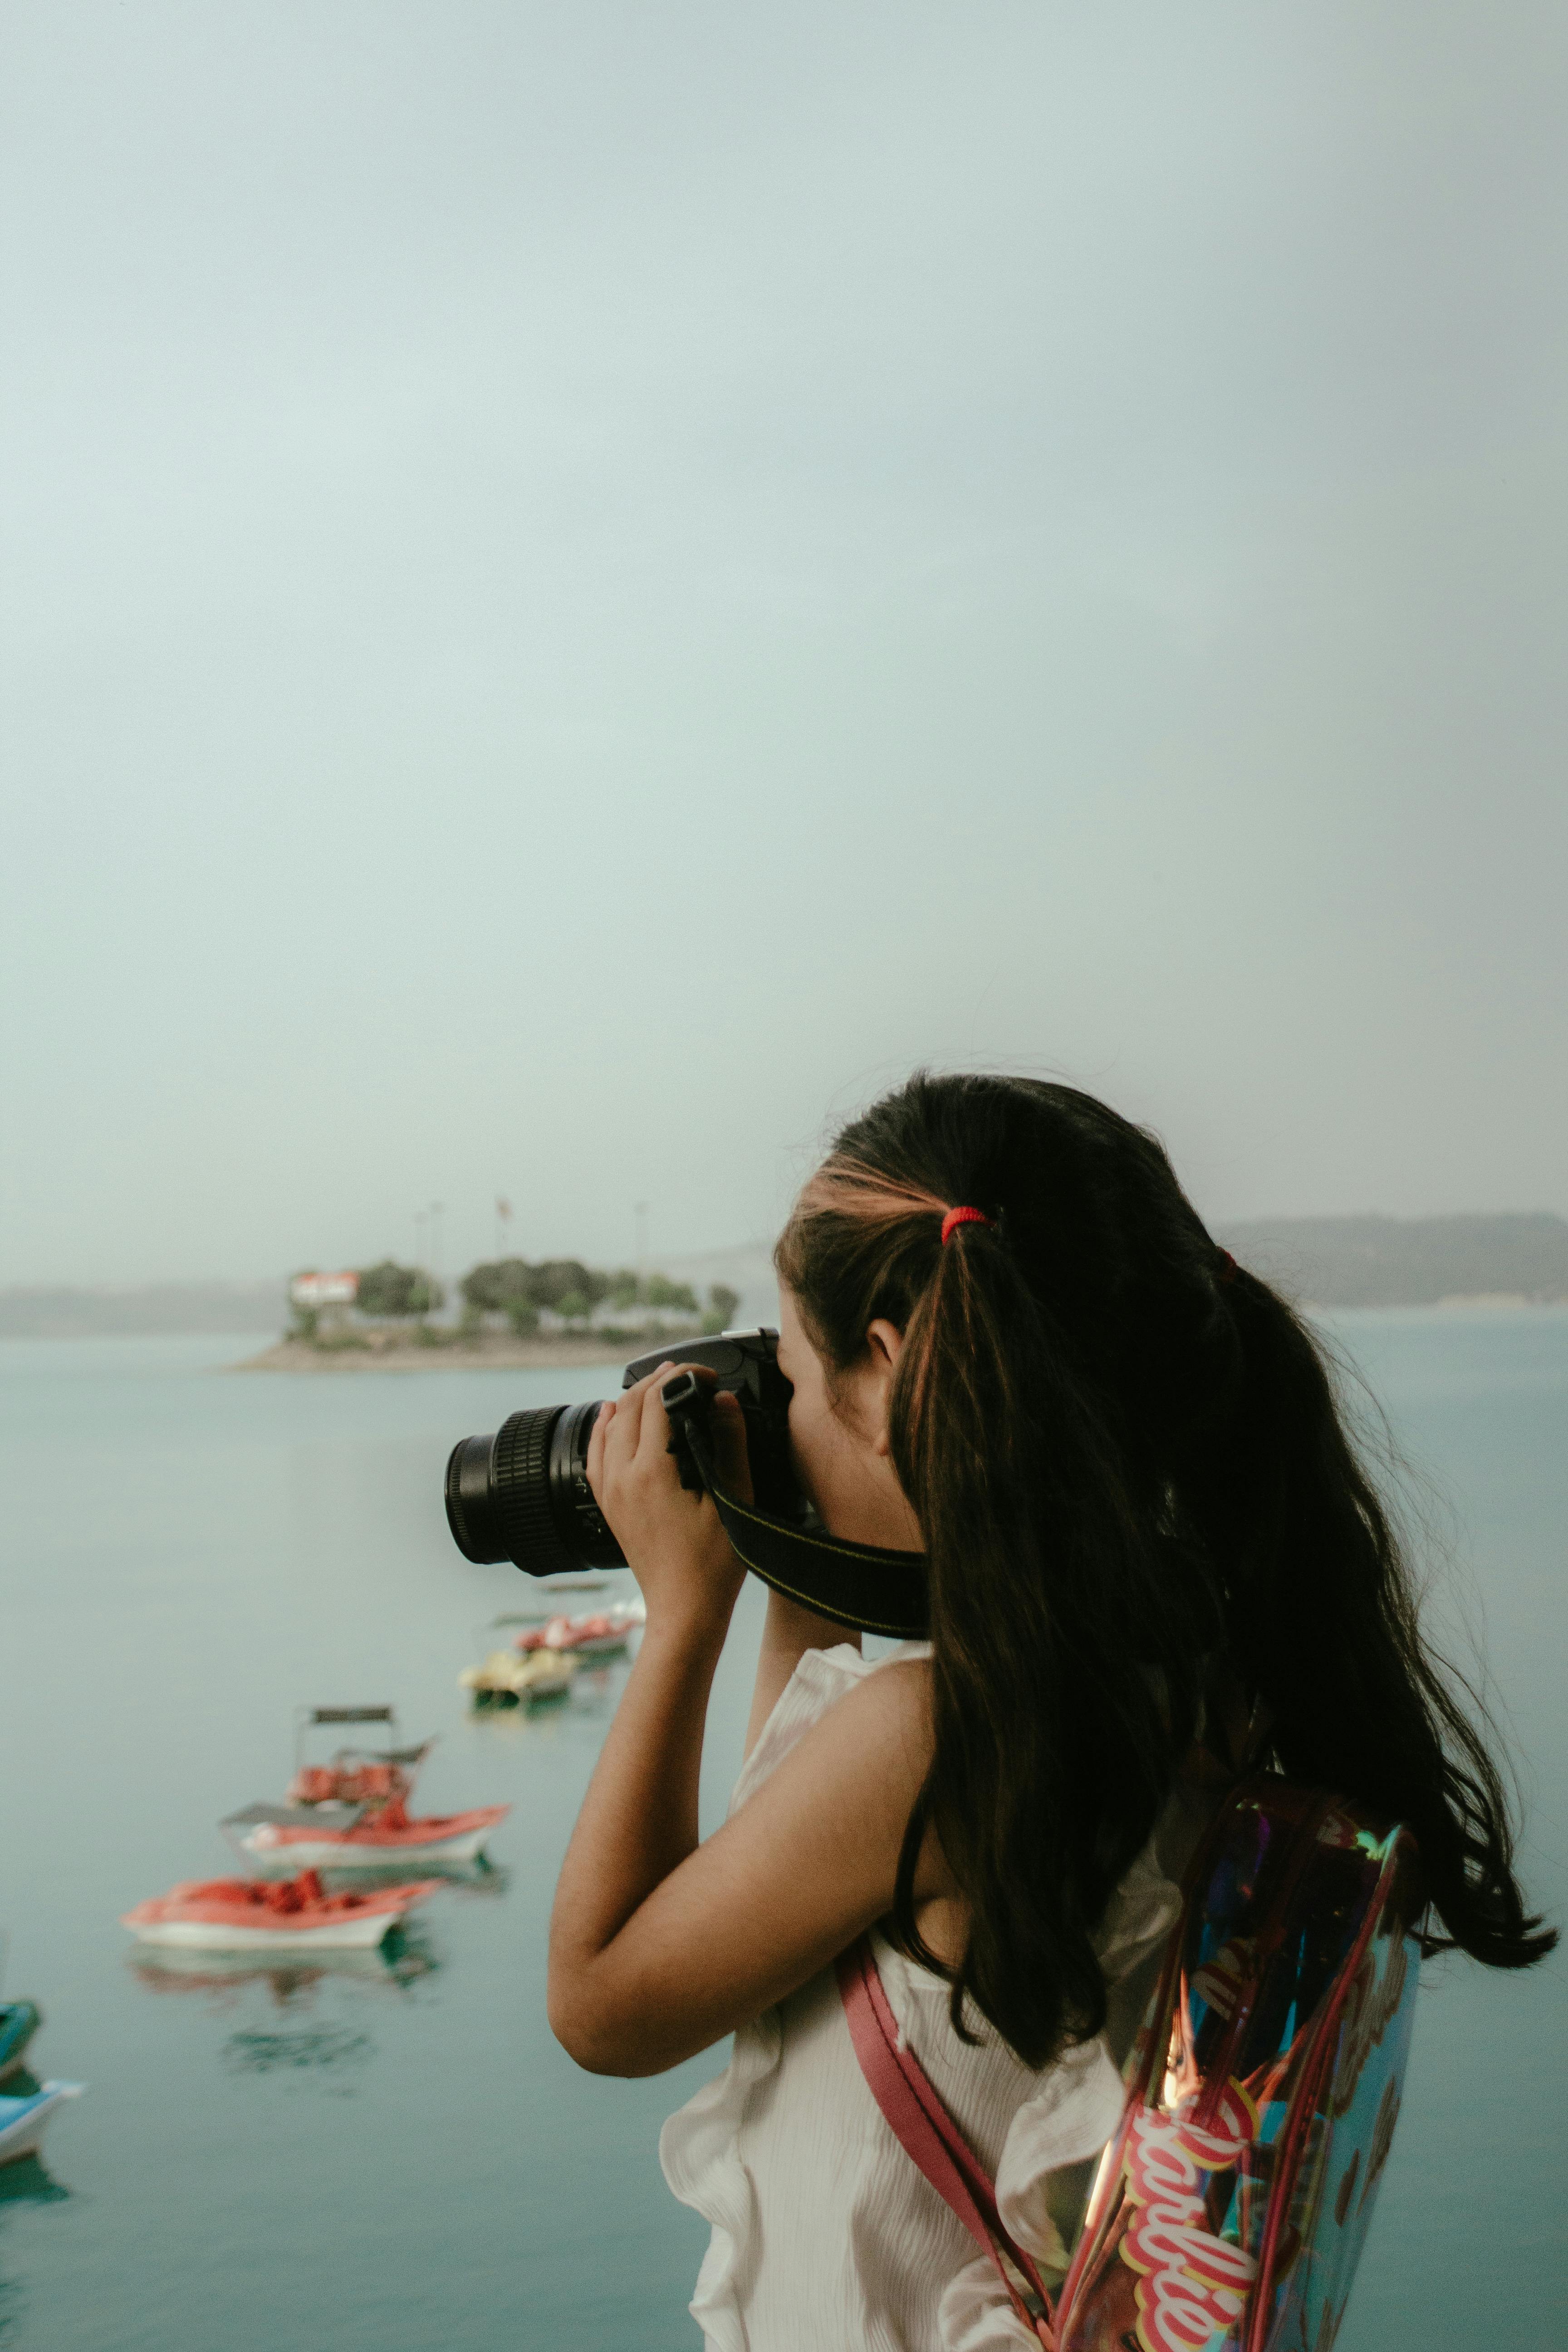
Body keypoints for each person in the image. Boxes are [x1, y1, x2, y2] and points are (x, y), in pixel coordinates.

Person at [547, 1072, 1553, 2352]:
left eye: (793, 1377)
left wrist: (685, 1612)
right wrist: (794, 1542)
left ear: (893, 1361)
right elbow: (788, 1848)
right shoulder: (1194, 1676)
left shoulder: (923, 1742)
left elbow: (603, 2008)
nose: (782, 1413)